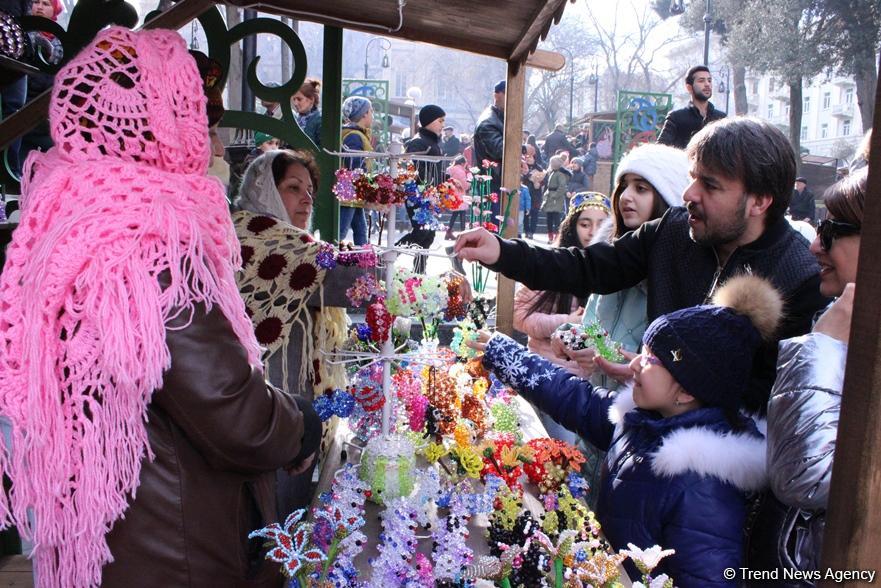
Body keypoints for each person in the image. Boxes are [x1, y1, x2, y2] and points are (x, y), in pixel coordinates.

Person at [0, 28, 321, 587]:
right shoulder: (152, 241)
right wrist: (301, 424)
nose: (212, 142)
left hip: (109, 534)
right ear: (163, 128)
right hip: (177, 550)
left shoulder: (67, 214)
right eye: (198, 117)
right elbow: (232, 413)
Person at [455, 116, 829, 415]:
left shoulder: (798, 278)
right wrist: (502, 252)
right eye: (692, 178)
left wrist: (671, 377)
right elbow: (588, 268)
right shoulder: (673, 230)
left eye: (710, 186)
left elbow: (768, 403)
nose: (688, 195)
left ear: (760, 201)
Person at [478, 274, 778, 586]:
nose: (634, 365)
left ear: (687, 391)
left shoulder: (704, 487)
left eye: (651, 360)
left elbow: (707, 577)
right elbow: (576, 399)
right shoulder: (643, 421)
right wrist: (506, 354)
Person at [558, 144, 689, 507]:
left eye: (642, 188)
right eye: (625, 185)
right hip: (592, 423)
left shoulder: (675, 279)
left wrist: (626, 364)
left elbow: (675, 372)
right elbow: (593, 328)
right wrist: (569, 338)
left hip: (639, 437)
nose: (627, 197)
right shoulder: (607, 258)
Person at [234, 149, 357, 515]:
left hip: (295, 409)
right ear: (265, 190)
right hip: (261, 407)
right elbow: (342, 281)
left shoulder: (298, 247)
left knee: (293, 511)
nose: (306, 198)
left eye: (310, 190)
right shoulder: (251, 236)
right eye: (292, 187)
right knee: (266, 519)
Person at [761, 169, 866, 579]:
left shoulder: (833, 332)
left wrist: (821, 348)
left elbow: (804, 477)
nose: (816, 245)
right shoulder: (841, 320)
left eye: (832, 229)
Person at [513, 194, 611, 373]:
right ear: (572, 227)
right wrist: (566, 322)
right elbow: (519, 316)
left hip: (593, 384)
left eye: (602, 224)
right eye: (585, 224)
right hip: (545, 374)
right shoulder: (553, 264)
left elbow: (610, 346)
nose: (593, 232)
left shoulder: (617, 270)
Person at [398, 103, 446, 272]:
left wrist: (446, 181)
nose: (443, 124)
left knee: (429, 234)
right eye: (440, 120)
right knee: (422, 232)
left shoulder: (433, 142)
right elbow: (412, 171)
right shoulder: (418, 142)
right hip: (417, 196)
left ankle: (419, 270)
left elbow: (435, 171)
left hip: (430, 195)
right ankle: (392, 254)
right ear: (430, 121)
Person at [19, 0, 64, 162]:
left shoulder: (61, 41)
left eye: (45, 4)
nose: (39, 7)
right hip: (24, 104)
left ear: (55, 10)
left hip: (48, 109)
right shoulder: (22, 34)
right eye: (36, 2)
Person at [657, 65, 727, 149]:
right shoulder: (676, 117)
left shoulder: (722, 118)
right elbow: (660, 149)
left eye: (709, 80)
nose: (707, 84)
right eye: (701, 81)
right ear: (689, 87)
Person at [339, 95, 372, 245]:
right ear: (363, 114)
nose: (372, 115)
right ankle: (326, 260)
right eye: (370, 111)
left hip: (353, 192)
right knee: (340, 232)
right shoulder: (354, 136)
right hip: (349, 192)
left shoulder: (356, 134)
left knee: (361, 230)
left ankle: (363, 262)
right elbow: (355, 166)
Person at [473, 80, 505, 215]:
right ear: (497, 95)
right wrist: (523, 149)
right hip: (492, 184)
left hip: (497, 182)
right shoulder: (488, 122)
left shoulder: (498, 118)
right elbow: (501, 150)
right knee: (493, 229)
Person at [540, 155, 568, 243]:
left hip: (555, 198)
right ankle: (550, 236)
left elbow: (562, 186)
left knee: (556, 218)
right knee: (549, 219)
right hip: (550, 197)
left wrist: (555, 195)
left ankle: (556, 236)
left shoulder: (560, 174)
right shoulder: (552, 173)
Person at [445, 154, 471, 240]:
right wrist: (471, 182)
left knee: (456, 213)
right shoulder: (460, 171)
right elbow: (465, 185)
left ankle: (448, 232)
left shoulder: (451, 170)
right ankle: (463, 234)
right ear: (463, 163)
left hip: (453, 194)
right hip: (459, 194)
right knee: (462, 213)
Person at [292, 77, 322, 147]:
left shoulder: (320, 120)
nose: (295, 103)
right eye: (294, 99)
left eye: (299, 99)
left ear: (311, 99)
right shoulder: (296, 118)